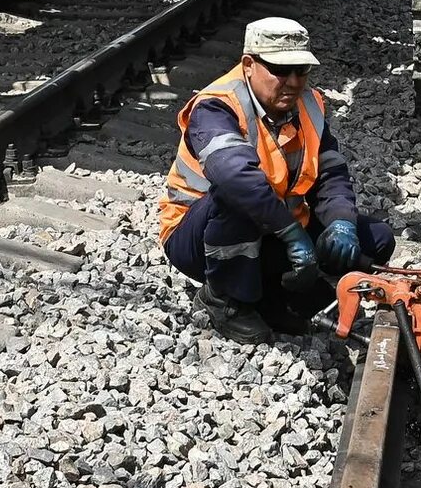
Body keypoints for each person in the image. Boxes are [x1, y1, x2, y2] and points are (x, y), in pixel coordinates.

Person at [159, 18, 395, 339]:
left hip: (273, 229)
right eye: (281, 70)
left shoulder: (308, 105)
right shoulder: (217, 107)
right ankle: (224, 299)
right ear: (248, 64)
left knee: (376, 239)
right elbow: (234, 176)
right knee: (238, 194)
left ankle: (278, 303)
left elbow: (330, 173)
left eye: (302, 70)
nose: (294, 81)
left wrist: (341, 223)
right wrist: (291, 233)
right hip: (198, 237)